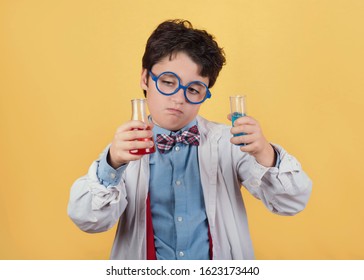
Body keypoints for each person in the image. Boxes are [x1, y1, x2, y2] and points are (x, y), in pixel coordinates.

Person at [67, 19, 312, 260]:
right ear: (145, 79)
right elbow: (89, 221)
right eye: (167, 82)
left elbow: (291, 203)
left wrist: (265, 153)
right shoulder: (124, 148)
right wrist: (112, 165)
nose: (178, 98)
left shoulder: (231, 143)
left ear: (205, 93)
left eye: (193, 89)